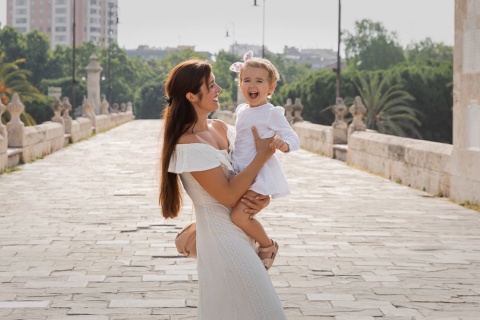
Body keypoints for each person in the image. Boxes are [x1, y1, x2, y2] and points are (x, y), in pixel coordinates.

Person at [159, 59, 287, 319]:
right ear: (192, 96)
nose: (219, 90)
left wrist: (263, 198)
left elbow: (243, 173)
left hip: (240, 231)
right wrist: (262, 156)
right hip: (221, 241)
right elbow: (228, 193)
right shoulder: (188, 143)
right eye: (211, 86)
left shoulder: (220, 128)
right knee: (264, 311)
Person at [229, 52, 300, 270]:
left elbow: (293, 137)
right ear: (240, 84)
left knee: (239, 216)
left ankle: (267, 245)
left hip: (259, 176)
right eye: (247, 80)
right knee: (232, 214)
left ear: (271, 87)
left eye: (259, 81)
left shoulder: (272, 113)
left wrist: (283, 144)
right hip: (240, 171)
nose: (252, 85)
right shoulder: (241, 110)